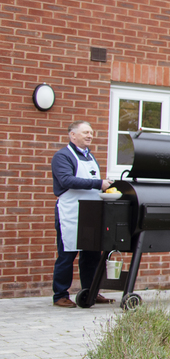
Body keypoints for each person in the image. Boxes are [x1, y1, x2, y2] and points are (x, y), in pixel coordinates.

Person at [51, 121, 112, 308]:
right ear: (72, 135)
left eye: (91, 133)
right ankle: (60, 295)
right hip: (71, 212)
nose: (90, 135)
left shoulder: (91, 157)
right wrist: (98, 184)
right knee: (67, 254)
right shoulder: (62, 157)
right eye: (85, 132)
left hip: (91, 212)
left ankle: (91, 291)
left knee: (92, 255)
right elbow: (67, 180)